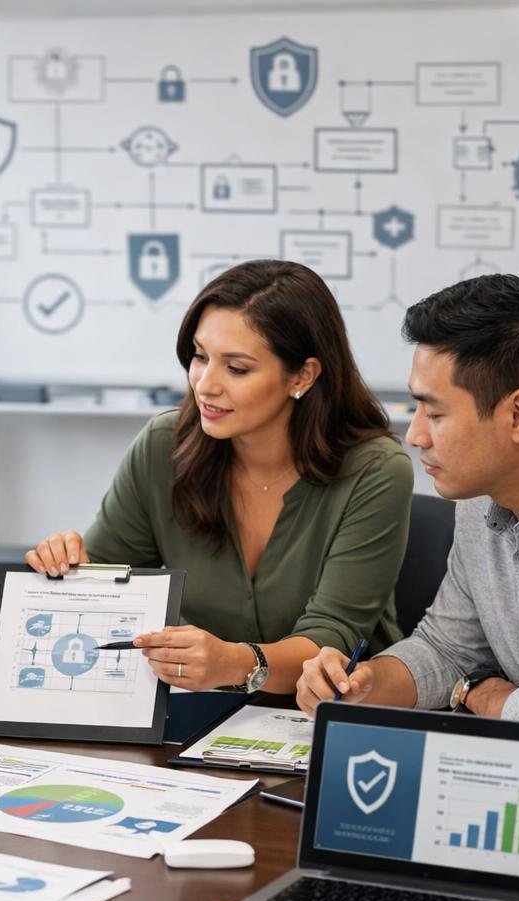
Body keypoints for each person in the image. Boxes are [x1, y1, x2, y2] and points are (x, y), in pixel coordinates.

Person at [294, 274, 519, 733]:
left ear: (518, 415)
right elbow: (447, 648)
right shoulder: (482, 498)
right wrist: (366, 684)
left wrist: (475, 692)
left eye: (435, 413)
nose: (415, 436)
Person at [25, 260, 413, 693]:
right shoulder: (162, 446)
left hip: (327, 715)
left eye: (237, 368)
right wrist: (71, 566)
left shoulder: (374, 470)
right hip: (196, 711)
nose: (205, 385)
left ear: (303, 375)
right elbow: (111, 581)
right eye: (200, 356)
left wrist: (235, 663)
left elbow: (331, 639)